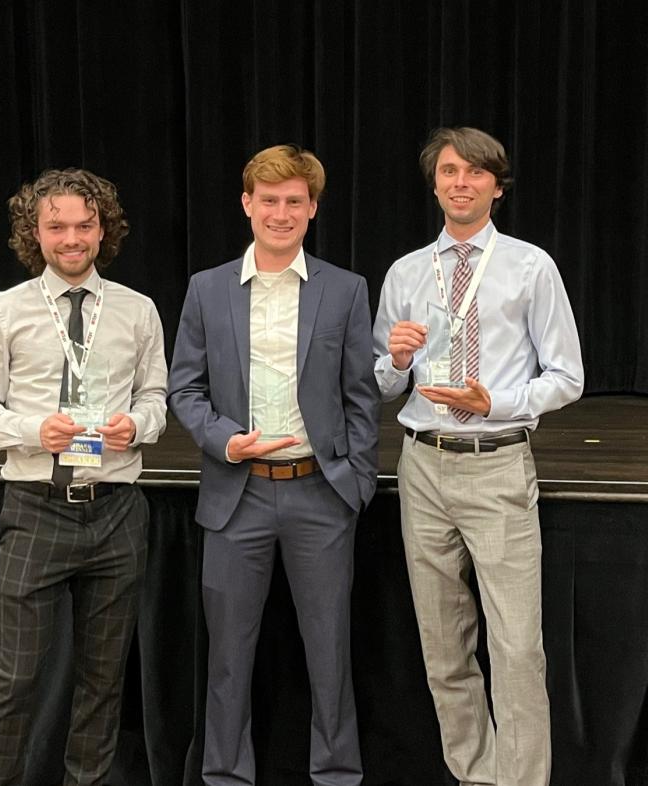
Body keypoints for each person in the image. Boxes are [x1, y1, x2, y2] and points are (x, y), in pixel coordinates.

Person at [372, 127, 584, 786]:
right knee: (443, 645)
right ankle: (473, 775)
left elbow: (568, 377)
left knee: (516, 646)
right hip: (424, 465)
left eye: (475, 172)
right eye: (449, 171)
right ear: (434, 183)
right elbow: (381, 381)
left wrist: (496, 402)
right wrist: (397, 359)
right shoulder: (408, 272)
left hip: (495, 462)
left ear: (497, 184)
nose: (460, 183)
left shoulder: (529, 266)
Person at [168, 145, 380, 786]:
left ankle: (337, 773)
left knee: (329, 652)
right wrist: (226, 441)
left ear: (312, 209)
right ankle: (226, 776)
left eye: (294, 202)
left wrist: (358, 482)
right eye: (269, 201)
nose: (280, 213)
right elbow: (185, 390)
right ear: (246, 205)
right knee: (230, 656)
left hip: (320, 491)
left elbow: (360, 394)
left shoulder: (345, 290)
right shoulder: (207, 289)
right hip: (238, 495)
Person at [0, 167, 168, 785]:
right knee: (15, 675)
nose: (72, 238)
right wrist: (29, 431)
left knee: (103, 681)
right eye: (57, 227)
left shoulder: (137, 309)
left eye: (84, 224)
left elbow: (156, 393)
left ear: (104, 229)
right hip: (36, 505)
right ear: (34, 233)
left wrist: (140, 424)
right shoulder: (5, 309)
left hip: (117, 509)